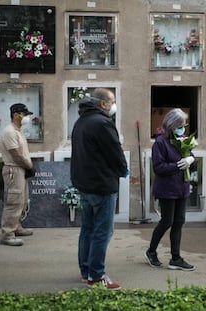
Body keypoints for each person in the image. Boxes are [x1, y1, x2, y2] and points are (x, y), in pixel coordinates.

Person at [71, 88, 128, 289]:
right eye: (112, 101)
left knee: (87, 229)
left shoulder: (81, 121)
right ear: (102, 104)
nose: (113, 105)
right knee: (102, 232)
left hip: (85, 185)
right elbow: (115, 152)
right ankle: (96, 276)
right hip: (101, 185)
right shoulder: (102, 123)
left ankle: (86, 271)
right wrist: (123, 170)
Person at [145, 108, 196, 271]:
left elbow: (191, 160)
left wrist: (190, 159)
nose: (183, 128)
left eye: (184, 125)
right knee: (167, 221)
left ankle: (176, 258)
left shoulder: (183, 140)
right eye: (180, 125)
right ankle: (151, 251)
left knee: (179, 222)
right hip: (167, 189)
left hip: (182, 187)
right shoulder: (160, 142)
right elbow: (158, 167)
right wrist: (177, 166)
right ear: (171, 125)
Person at [0, 103, 35, 246]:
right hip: (14, 169)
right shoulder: (9, 132)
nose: (26, 117)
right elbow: (16, 155)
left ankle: (16, 227)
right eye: (24, 114)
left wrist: (27, 167)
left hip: (20, 169)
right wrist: (29, 166)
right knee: (14, 202)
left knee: (22, 200)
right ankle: (7, 234)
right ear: (16, 115)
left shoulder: (17, 130)